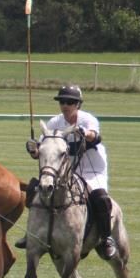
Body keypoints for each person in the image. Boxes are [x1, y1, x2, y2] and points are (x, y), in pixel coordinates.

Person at [23, 84, 117, 259]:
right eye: (62, 102)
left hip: (92, 169)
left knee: (101, 198)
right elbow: (44, 149)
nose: (65, 105)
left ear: (78, 104)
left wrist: (84, 132)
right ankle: (32, 234)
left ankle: (106, 238)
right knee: (34, 190)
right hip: (64, 170)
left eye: (70, 102)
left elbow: (95, 136)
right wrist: (34, 150)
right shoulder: (54, 122)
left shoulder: (87, 119)